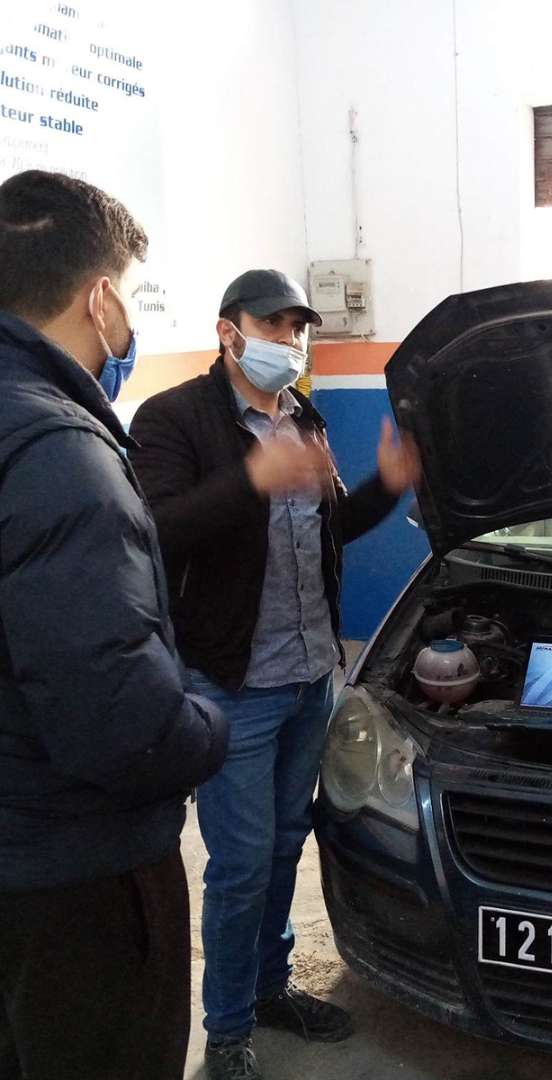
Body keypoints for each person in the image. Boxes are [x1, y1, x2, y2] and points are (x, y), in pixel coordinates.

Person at [129, 269, 420, 1080]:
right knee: (240, 864)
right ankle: (226, 1030)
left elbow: (331, 528)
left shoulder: (304, 416)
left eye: (298, 328)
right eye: (274, 325)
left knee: (288, 846)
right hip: (232, 686)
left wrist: (386, 487)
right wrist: (249, 481)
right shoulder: (174, 418)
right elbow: (152, 532)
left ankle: (268, 988)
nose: (289, 341)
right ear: (229, 332)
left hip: (309, 677)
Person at [0, 171, 228, 1080]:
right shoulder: (61, 452)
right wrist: (205, 726)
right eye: (129, 295)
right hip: (76, 874)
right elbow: (119, 724)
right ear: (100, 299)